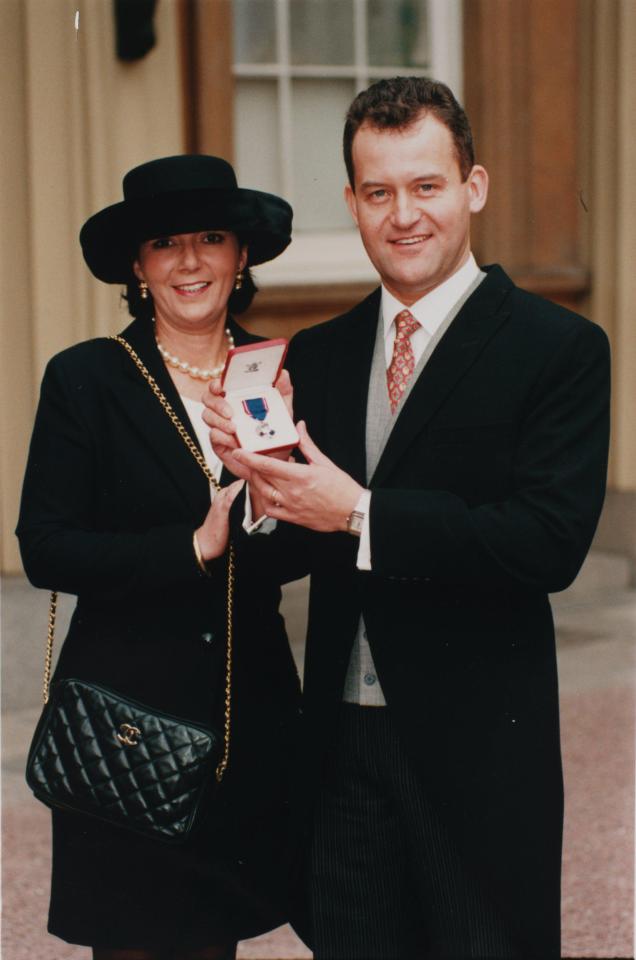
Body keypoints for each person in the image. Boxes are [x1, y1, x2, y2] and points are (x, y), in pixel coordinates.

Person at [203, 78, 611, 959]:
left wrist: (357, 512)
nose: (404, 216)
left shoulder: (560, 350)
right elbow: (277, 559)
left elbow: (547, 542)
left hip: (476, 750)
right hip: (340, 744)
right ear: (350, 202)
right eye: (378, 192)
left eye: (426, 186)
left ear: (474, 187)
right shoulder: (319, 352)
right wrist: (258, 491)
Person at [16, 155, 302, 960]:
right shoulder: (87, 380)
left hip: (249, 721)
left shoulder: (282, 374)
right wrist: (190, 548)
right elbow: (45, 546)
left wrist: (272, 504)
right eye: (164, 242)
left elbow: (307, 543)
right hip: (128, 730)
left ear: (241, 256)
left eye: (211, 238)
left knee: (216, 943)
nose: (189, 262)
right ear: (138, 267)